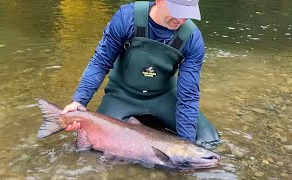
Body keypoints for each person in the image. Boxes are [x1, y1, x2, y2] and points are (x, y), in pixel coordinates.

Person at [61, 0, 220, 146]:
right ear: (159, 1)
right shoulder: (126, 18)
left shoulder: (192, 39)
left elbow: (188, 95)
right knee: (92, 143)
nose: (182, 19)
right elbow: (100, 62)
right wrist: (80, 100)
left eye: (188, 13)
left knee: (209, 140)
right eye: (177, 11)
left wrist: (185, 148)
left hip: (163, 97)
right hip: (122, 95)